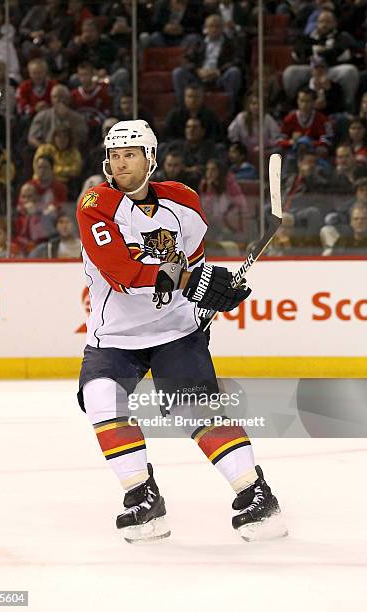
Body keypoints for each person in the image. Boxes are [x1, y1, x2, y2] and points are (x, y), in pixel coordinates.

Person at [76, 119, 286, 543]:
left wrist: (211, 293)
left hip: (175, 331)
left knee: (198, 412)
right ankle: (142, 498)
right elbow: (122, 272)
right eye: (115, 155)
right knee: (102, 398)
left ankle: (257, 495)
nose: (121, 163)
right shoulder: (95, 203)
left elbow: (193, 265)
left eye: (130, 154)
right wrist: (195, 283)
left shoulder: (184, 203)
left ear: (150, 158)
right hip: (115, 336)